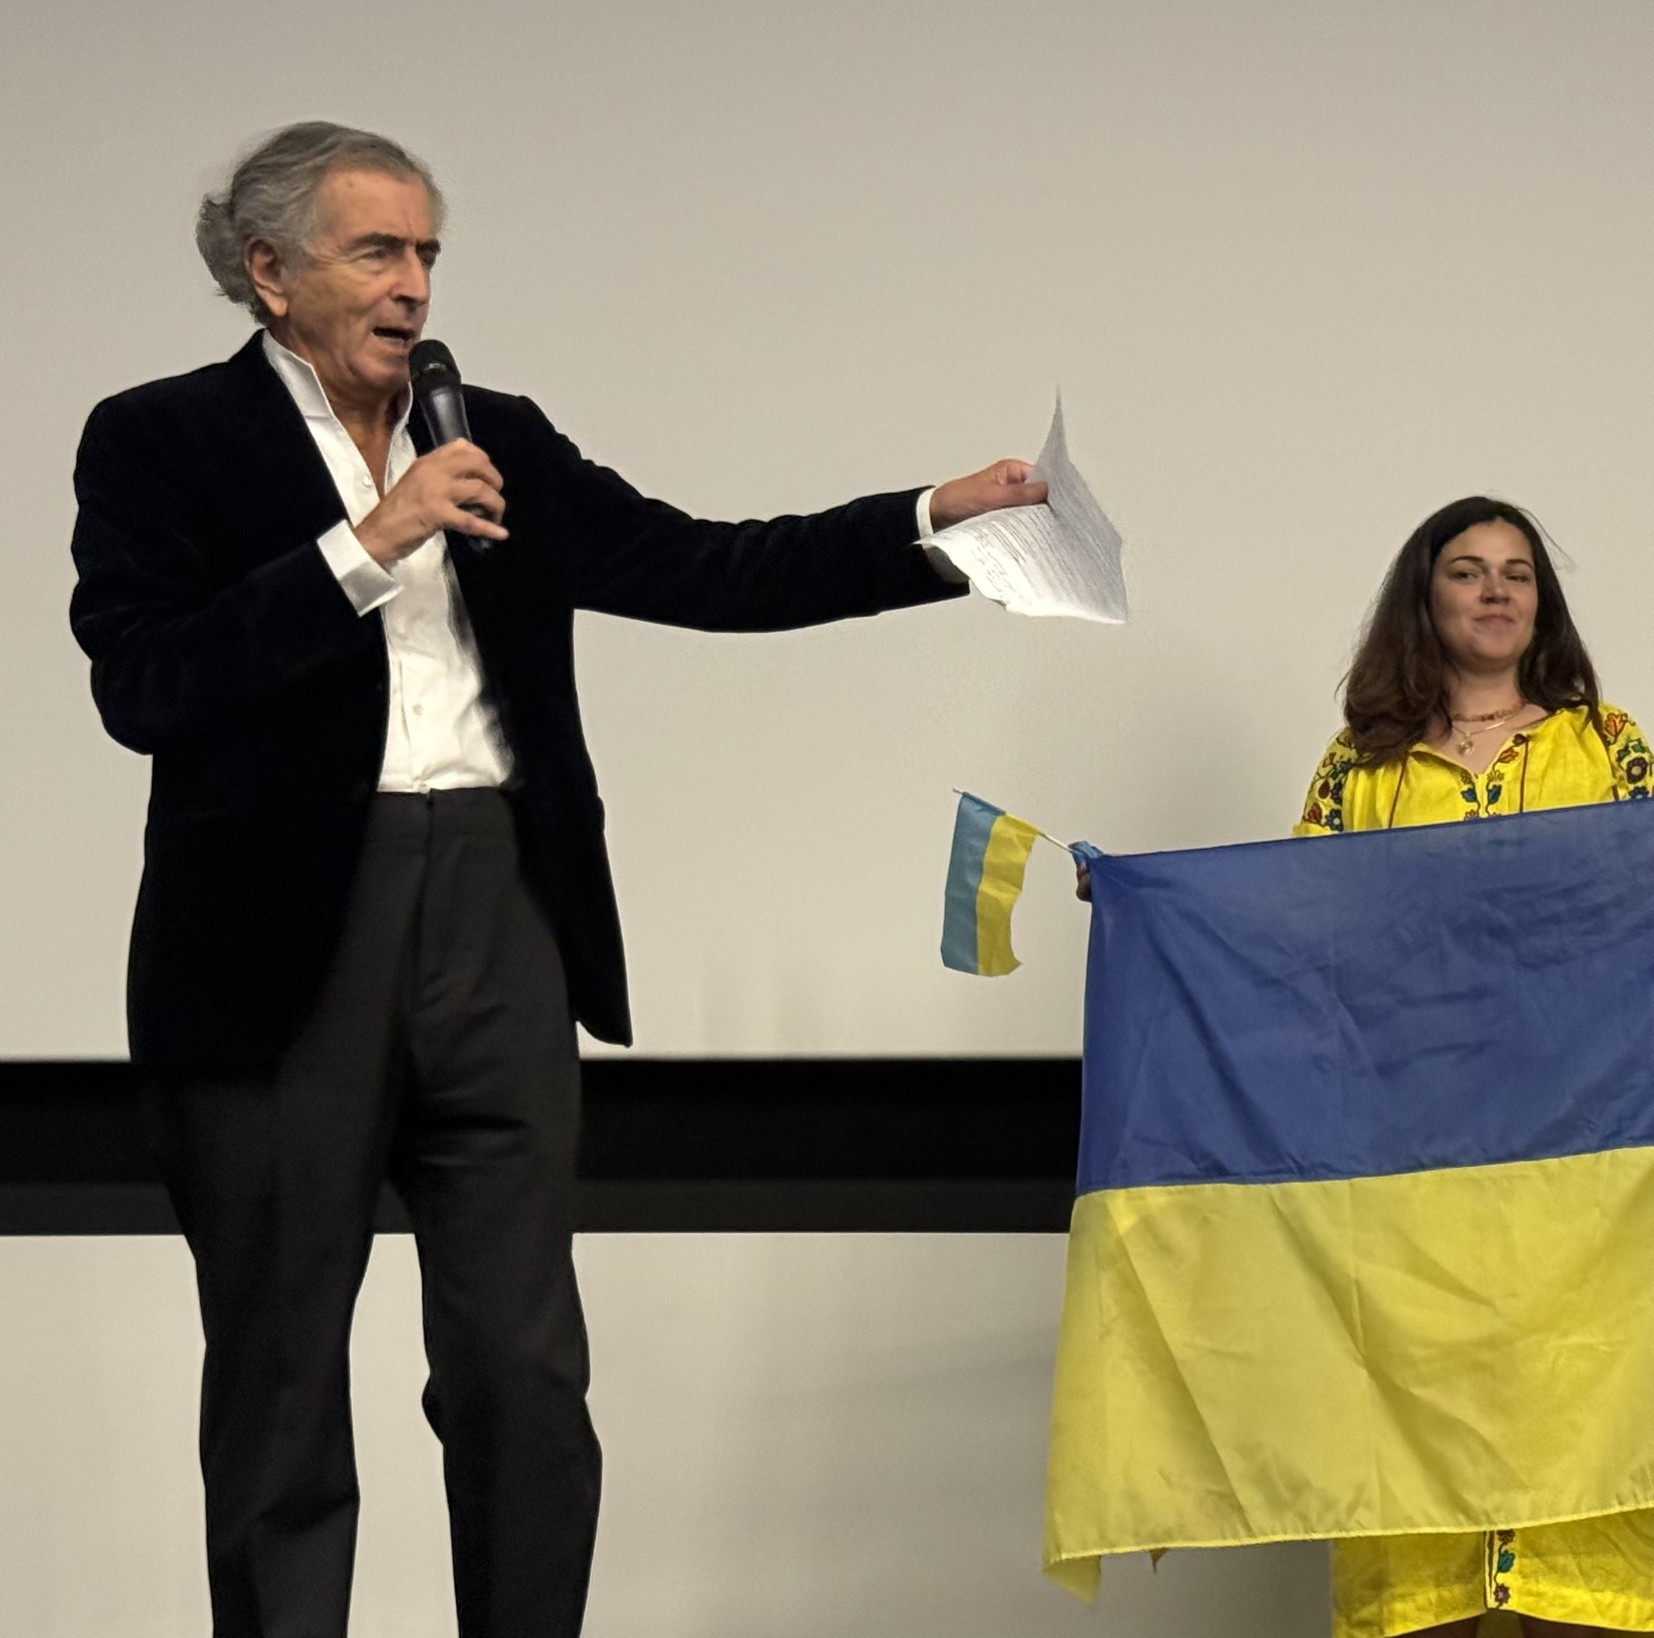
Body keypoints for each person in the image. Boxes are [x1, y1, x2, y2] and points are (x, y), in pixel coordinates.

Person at [67, 121, 1044, 1638]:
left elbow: (707, 567)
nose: (414, 284)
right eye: (376, 251)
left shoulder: (495, 431)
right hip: (277, 952)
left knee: (521, 1368)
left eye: (428, 251)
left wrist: (930, 525)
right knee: (280, 1374)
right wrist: (366, 543)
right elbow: (145, 685)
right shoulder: (160, 438)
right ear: (269, 272)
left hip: (499, 912)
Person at [1289, 495, 1654, 1638]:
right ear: (1425, 597)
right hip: (1415, 1172)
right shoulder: (1360, 768)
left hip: (1585, 1166)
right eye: (1467, 570)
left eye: (1518, 573)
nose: (1495, 591)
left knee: (1593, 1426)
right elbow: (1294, 923)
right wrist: (1152, 912)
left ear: (1541, 604)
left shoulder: (1606, 745)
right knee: (1412, 1454)